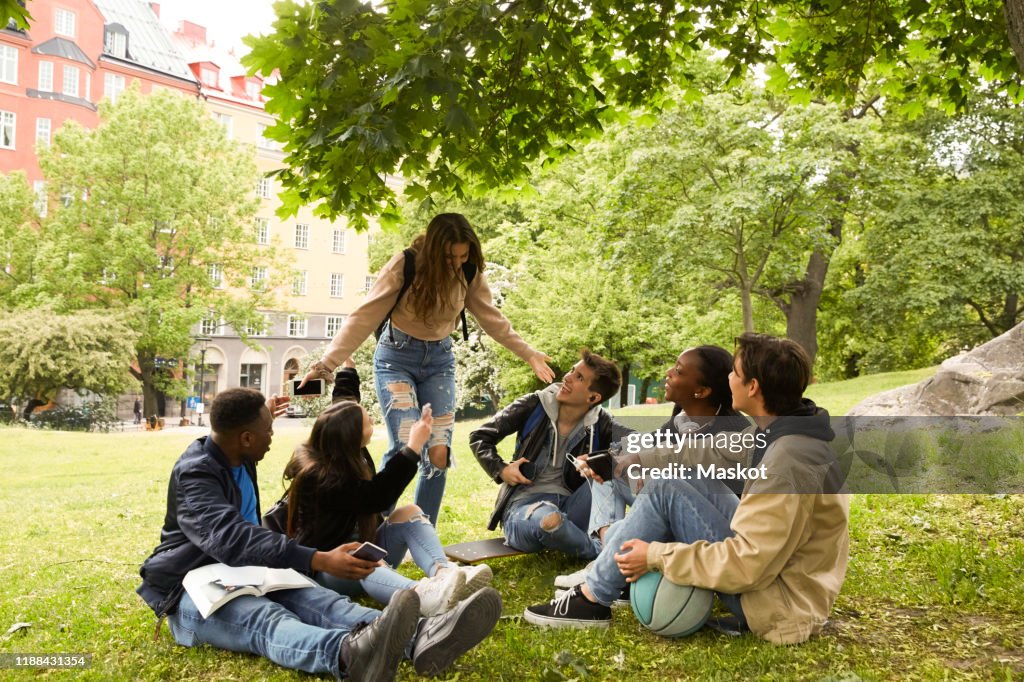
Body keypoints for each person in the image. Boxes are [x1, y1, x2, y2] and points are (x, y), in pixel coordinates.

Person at [136, 387, 502, 681]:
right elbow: (231, 538)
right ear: (245, 438)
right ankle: (347, 655)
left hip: (246, 573)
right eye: (267, 432)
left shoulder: (235, 451)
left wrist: (261, 409)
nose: (271, 438)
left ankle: (422, 636)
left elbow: (237, 425)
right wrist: (316, 557)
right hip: (191, 590)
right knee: (267, 620)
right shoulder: (196, 473)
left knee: (326, 604)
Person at [525, 333, 850, 645]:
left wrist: (654, 555)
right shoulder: (785, 431)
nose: (728, 380)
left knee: (666, 487)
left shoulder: (788, 462)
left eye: (735, 374)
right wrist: (627, 461)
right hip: (779, 580)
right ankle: (611, 576)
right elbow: (709, 450)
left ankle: (591, 598)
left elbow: (746, 566)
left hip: (780, 606)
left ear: (753, 386)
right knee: (676, 476)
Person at [299, 213, 555, 526]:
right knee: (406, 444)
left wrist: (528, 353)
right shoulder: (406, 265)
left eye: (464, 255)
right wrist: (327, 364)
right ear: (434, 249)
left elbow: (491, 318)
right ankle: (372, 529)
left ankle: (424, 535)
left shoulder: (469, 271)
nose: (457, 262)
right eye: (450, 257)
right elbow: (364, 316)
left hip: (439, 361)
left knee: (438, 455)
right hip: (396, 358)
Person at [279, 365, 492, 618]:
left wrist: (347, 370)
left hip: (364, 548)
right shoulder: (321, 478)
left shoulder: (338, 448)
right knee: (367, 563)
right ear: (353, 435)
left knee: (409, 512)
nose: (372, 422)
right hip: (329, 569)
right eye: (368, 422)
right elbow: (377, 497)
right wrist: (412, 447)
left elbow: (344, 405)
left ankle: (445, 576)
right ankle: (421, 595)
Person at [554, 345, 750, 589]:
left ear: (701, 391)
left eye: (678, 371)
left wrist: (651, 472)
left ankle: (612, 561)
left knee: (637, 495)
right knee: (606, 471)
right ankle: (608, 558)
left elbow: (705, 500)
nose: (668, 373)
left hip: (701, 528)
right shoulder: (682, 419)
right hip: (664, 505)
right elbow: (645, 447)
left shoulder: (732, 433)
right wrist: (600, 459)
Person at [469, 350, 633, 560]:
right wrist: (501, 469)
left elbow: (639, 442)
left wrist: (601, 459)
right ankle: (603, 553)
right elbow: (479, 436)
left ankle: (638, 532)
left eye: (579, 377)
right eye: (573, 371)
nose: (567, 377)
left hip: (573, 505)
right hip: (524, 508)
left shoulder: (601, 422)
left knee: (611, 474)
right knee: (549, 519)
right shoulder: (534, 404)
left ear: (593, 397)